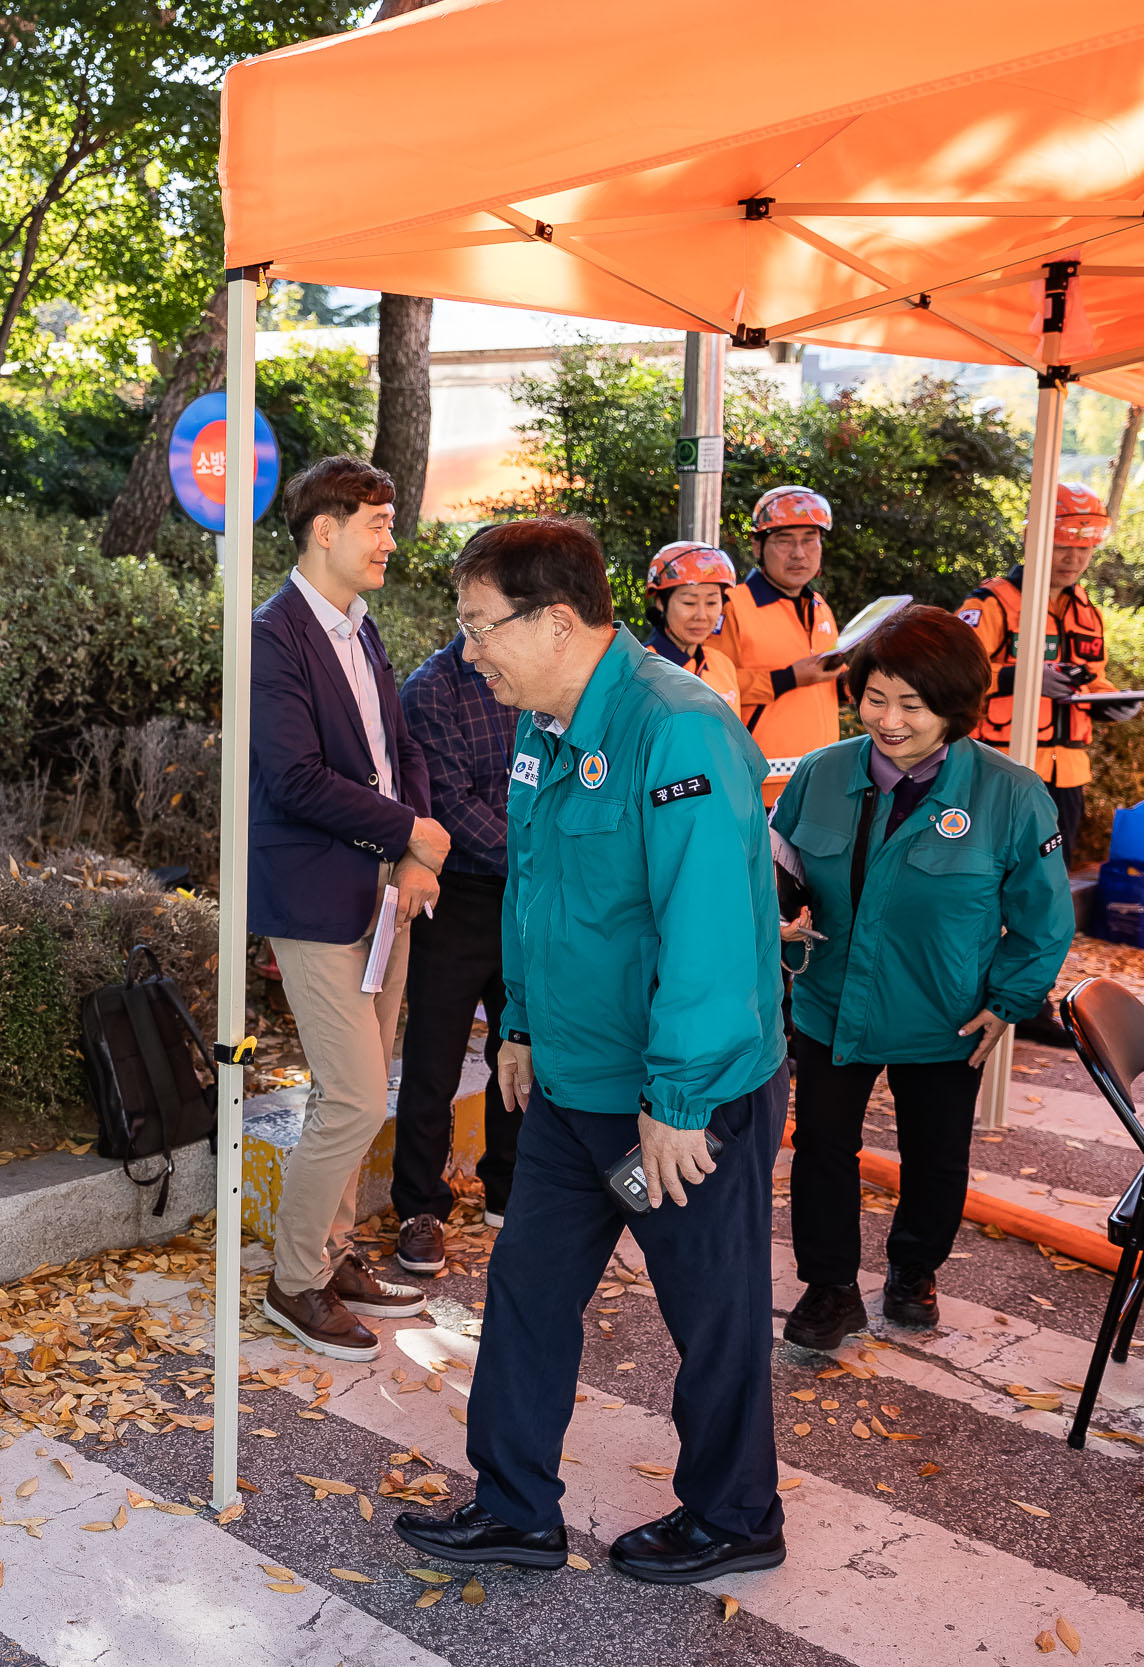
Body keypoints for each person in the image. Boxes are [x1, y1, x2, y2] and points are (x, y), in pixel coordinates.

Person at [396, 516, 788, 1585]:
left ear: (555, 620)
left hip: (675, 1101)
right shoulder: (542, 724)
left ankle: (734, 1512)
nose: (467, 651)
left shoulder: (680, 729)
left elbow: (706, 932)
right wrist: (516, 1022)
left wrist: (677, 1099)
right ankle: (516, 1504)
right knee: (526, 1288)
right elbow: (536, 889)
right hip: (573, 1082)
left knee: (709, 1310)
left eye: (481, 628)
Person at [772, 607, 1073, 1349]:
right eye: (877, 697)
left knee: (935, 1155)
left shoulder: (1010, 793)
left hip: (946, 1014)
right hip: (830, 1001)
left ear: (955, 707)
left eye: (913, 703)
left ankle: (913, 1272)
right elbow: (775, 871)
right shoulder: (821, 772)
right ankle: (830, 1286)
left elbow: (1043, 917)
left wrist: (1009, 1000)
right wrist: (770, 922)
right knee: (820, 1149)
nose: (890, 719)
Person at [249, 455, 449, 1362]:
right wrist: (409, 826)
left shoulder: (361, 628)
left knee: (353, 1091)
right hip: (313, 896)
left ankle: (329, 1255)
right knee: (359, 1097)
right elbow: (292, 779)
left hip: (383, 888)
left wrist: (411, 845)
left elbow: (397, 743)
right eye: (376, 521)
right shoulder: (270, 636)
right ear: (323, 529)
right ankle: (294, 1280)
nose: (389, 539)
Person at [960, 481, 1141, 1046]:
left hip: (1066, 776)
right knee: (985, 889)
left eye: (1084, 550)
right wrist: (1019, 677)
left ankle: (1030, 999)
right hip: (1003, 770)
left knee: (1046, 895)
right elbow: (949, 675)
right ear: (1033, 539)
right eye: (1064, 546)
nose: (1073, 559)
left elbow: (1094, 677)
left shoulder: (1085, 609)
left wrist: (1114, 701)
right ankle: (969, 995)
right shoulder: (989, 604)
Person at [392, 627, 519, 1265]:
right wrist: (538, 855)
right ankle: (418, 1207)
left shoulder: (535, 674)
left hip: (526, 899)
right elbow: (449, 804)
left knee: (521, 1046)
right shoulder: (431, 689)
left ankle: (509, 1188)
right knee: (433, 1061)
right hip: (458, 895)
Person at [710, 485, 841, 804]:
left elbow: (822, 691)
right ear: (757, 546)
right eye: (785, 541)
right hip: (758, 785)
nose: (799, 553)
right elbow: (707, 686)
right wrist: (788, 678)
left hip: (819, 781)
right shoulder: (730, 606)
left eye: (810, 540)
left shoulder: (820, 606)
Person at [642, 540, 742, 714]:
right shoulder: (641, 669)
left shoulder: (723, 666)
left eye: (711, 602)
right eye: (689, 602)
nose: (702, 616)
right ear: (661, 603)